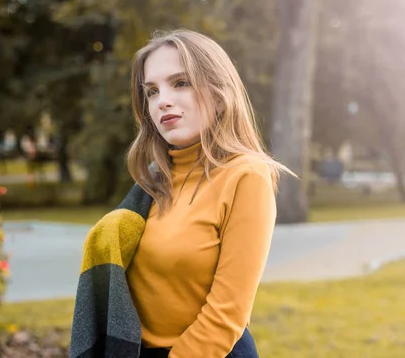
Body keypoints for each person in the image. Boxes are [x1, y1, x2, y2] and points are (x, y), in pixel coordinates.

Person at [125, 29, 293, 358]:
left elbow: (226, 315)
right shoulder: (153, 181)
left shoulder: (246, 176)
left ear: (218, 96)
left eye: (181, 83)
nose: (163, 101)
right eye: (152, 91)